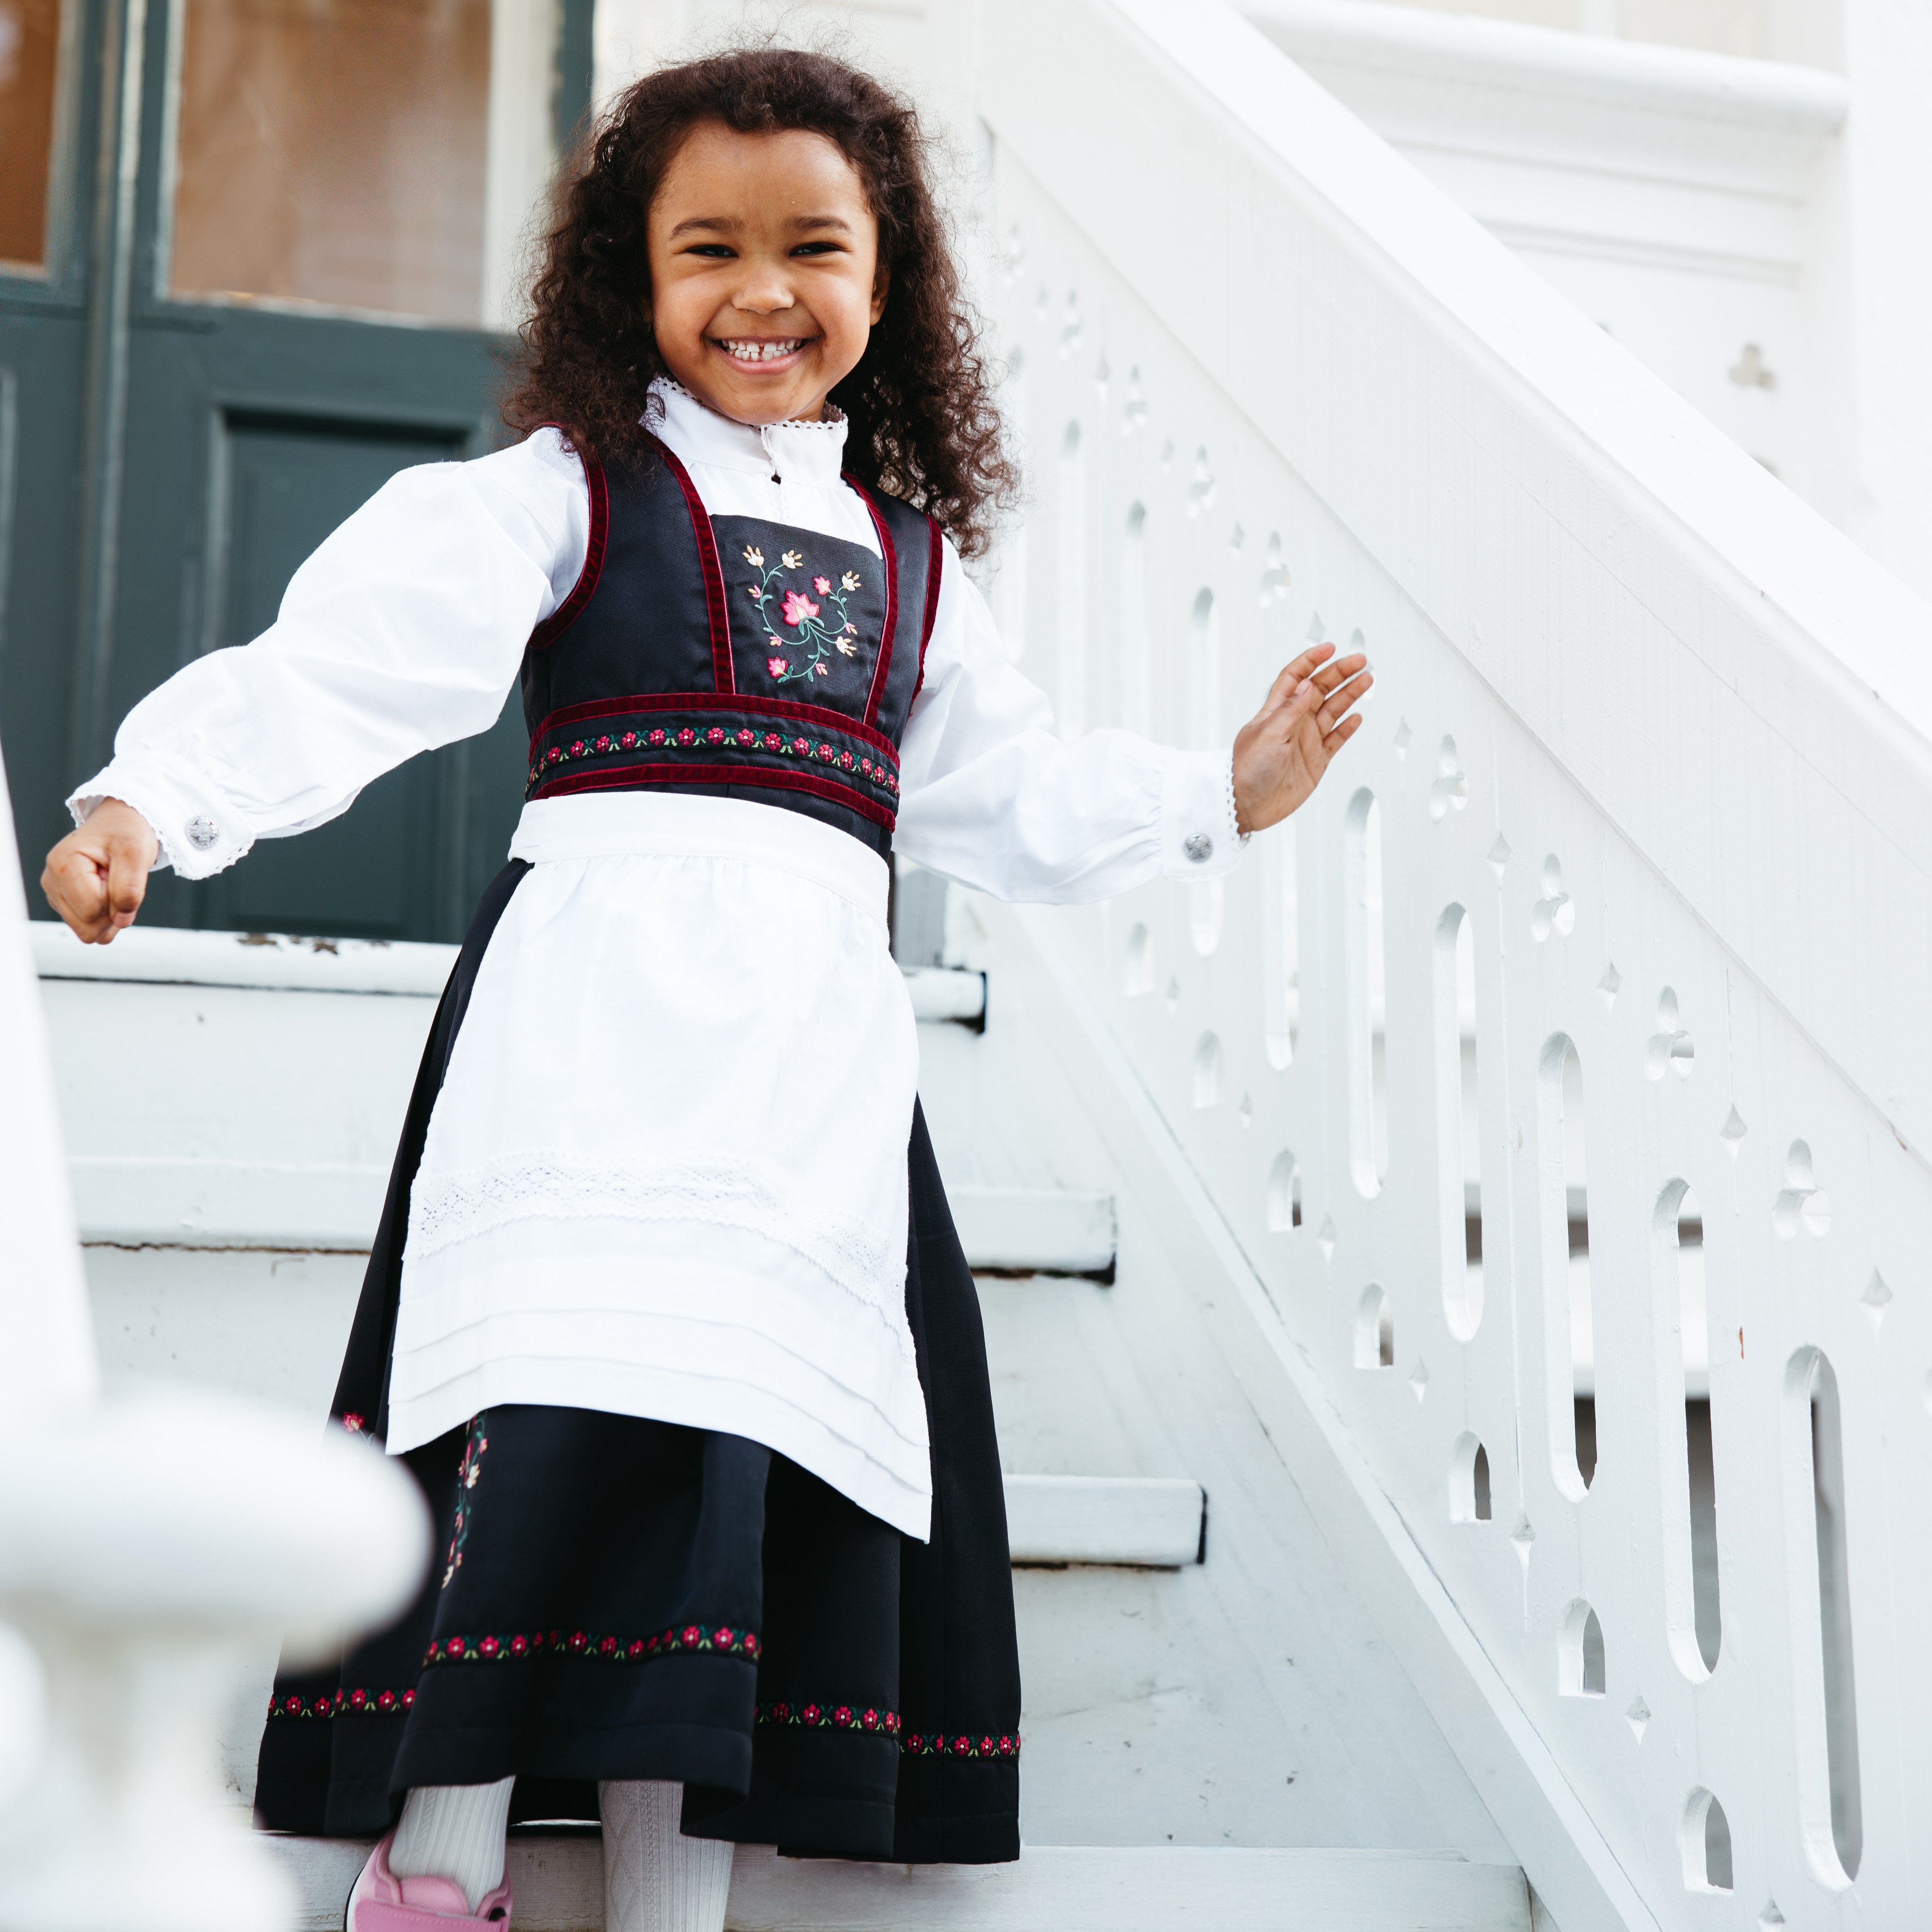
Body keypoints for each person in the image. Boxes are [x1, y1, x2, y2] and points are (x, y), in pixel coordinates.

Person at [41, 44, 1370, 1932]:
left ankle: (677, 1908)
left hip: (803, 1080)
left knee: (724, 1454)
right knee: (548, 1408)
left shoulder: (914, 569)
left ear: (887, 279)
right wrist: (154, 800)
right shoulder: (568, 496)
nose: (764, 291)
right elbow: (353, 661)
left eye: (814, 247)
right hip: (585, 1037)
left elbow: (1010, 788)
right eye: (709, 248)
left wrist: (1214, 792)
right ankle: (438, 1872)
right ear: (632, 277)